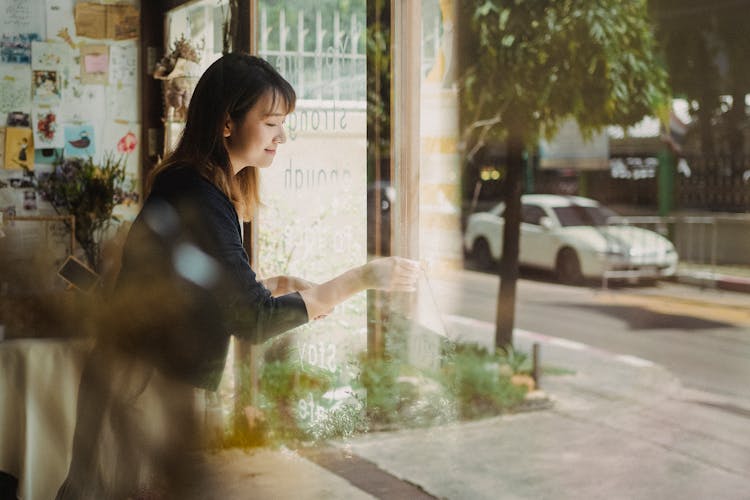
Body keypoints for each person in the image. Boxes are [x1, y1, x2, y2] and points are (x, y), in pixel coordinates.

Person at [56, 53, 419, 498]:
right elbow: (253, 319)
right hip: (144, 388)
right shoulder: (200, 197)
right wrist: (364, 277)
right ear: (227, 122)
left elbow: (202, 298)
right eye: (271, 123)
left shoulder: (194, 185)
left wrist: (278, 283)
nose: (281, 136)